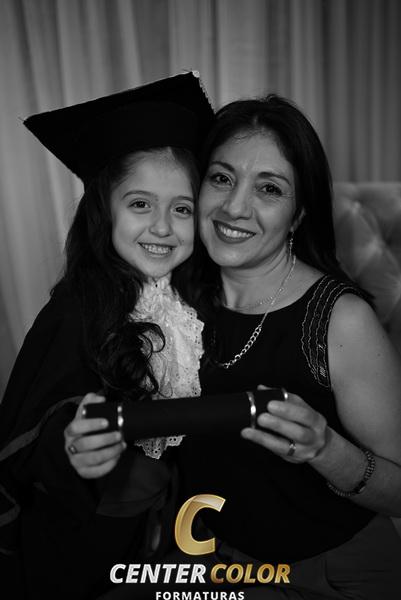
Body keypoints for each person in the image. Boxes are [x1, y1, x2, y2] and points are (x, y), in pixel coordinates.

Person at [177, 95, 401, 599]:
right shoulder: (174, 299)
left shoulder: (342, 319)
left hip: (332, 574)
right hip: (216, 562)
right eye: (221, 178)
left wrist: (326, 450)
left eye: (269, 188)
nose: (235, 207)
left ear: (298, 215)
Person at [0, 72, 214, 599]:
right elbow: (34, 429)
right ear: (104, 209)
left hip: (177, 532)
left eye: (182, 208)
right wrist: (73, 443)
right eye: (140, 204)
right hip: (86, 545)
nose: (162, 227)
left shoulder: (197, 305)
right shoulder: (74, 310)